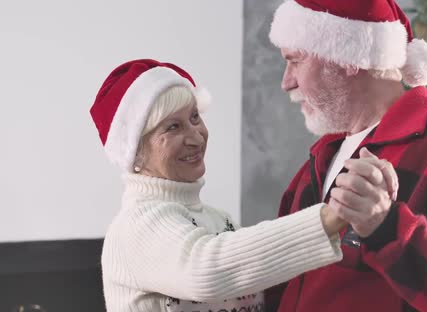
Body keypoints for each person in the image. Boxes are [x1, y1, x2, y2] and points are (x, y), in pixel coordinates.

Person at [265, 0, 427, 311]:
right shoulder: (323, 157)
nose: (286, 82)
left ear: (348, 56)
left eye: (296, 61)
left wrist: (386, 227)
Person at [89, 59, 397, 311]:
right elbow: (208, 268)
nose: (196, 137)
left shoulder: (218, 220)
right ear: (136, 152)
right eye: (173, 126)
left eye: (195, 117)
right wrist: (333, 216)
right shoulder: (135, 227)